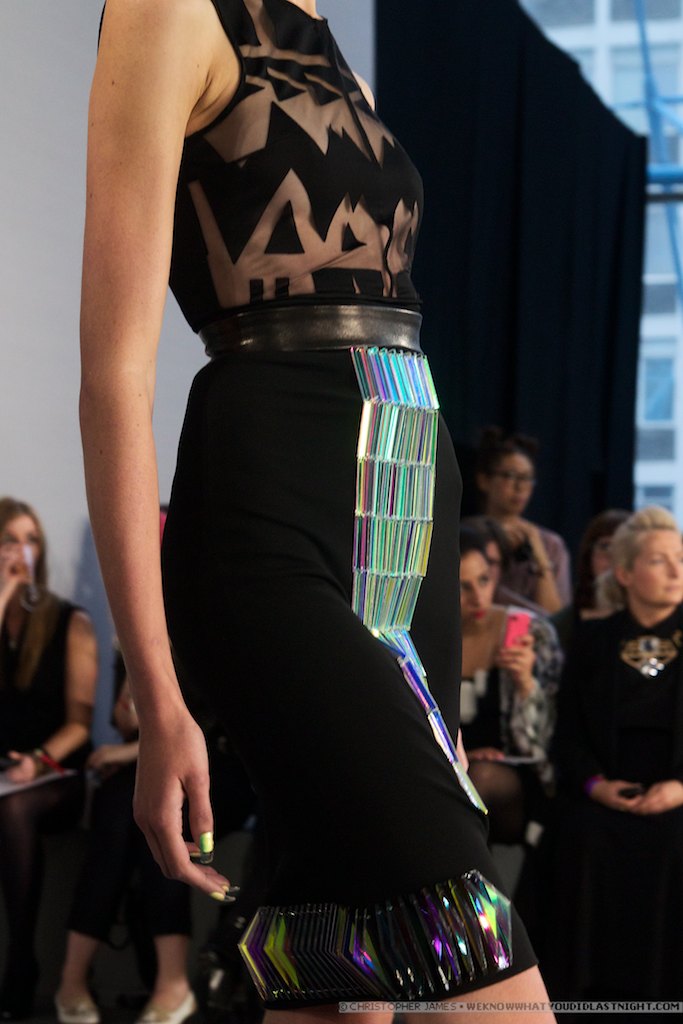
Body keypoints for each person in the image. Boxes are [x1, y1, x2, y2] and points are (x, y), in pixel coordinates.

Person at [78, 1, 554, 1019]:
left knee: (338, 965)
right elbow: (114, 380)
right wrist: (158, 696)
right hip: (268, 502)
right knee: (469, 935)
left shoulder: (339, 57)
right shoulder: (168, 13)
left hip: (406, 487)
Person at [540, 506, 683, 1000]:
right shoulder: (592, 640)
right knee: (582, 837)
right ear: (624, 573)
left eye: (681, 559)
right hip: (605, 790)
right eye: (660, 561)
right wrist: (595, 786)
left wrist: (679, 788)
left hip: (677, 791)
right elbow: (567, 736)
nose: (676, 571)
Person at [55, 653, 195, 1024]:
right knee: (118, 810)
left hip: (211, 764)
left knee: (164, 814)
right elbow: (125, 722)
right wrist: (134, 683)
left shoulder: (203, 636)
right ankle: (72, 979)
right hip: (147, 759)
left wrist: (133, 751)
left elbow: (210, 724)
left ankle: (172, 983)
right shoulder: (133, 637)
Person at [0, 497, 97, 1022]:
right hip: (5, 774)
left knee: (14, 809)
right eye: (9, 540)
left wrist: (36, 762)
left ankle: (20, 960)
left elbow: (80, 723)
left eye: (31, 540)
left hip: (55, 777)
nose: (21, 552)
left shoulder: (68, 622)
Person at [459, 527, 561, 844]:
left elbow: (544, 746)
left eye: (484, 580)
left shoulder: (531, 631)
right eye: (463, 586)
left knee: (479, 778)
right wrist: (463, 756)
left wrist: (525, 683)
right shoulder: (421, 638)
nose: (479, 597)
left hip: (518, 776)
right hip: (448, 767)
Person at [475, 427, 571, 614]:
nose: (520, 487)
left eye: (527, 478)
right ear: (484, 480)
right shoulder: (466, 536)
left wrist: (540, 557)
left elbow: (555, 618)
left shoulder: (550, 544)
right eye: (509, 476)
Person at [550, 508, 629, 652]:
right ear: (589, 555)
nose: (613, 557)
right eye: (605, 546)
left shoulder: (649, 619)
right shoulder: (562, 625)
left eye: (623, 549)